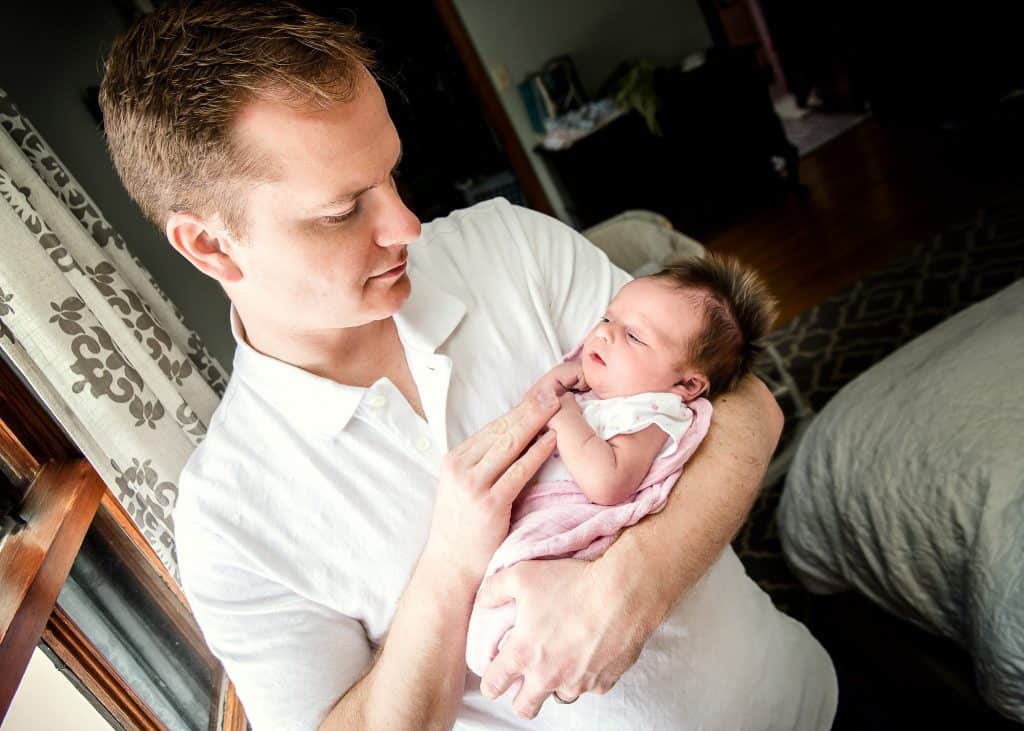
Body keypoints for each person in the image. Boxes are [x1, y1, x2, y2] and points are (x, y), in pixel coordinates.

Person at [99, 2, 838, 729]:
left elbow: (746, 406)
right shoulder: (229, 515)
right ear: (210, 247)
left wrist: (635, 581)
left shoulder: (508, 244)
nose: (407, 226)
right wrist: (450, 566)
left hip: (804, 695)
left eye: (391, 175)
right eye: (344, 209)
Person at [465, 256, 778, 681]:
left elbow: (608, 483)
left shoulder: (654, 415)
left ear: (686, 385)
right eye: (608, 317)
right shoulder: (597, 387)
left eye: (633, 336)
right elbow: (534, 409)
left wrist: (564, 411)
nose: (605, 333)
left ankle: (513, 637)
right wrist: (559, 385)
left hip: (577, 530)